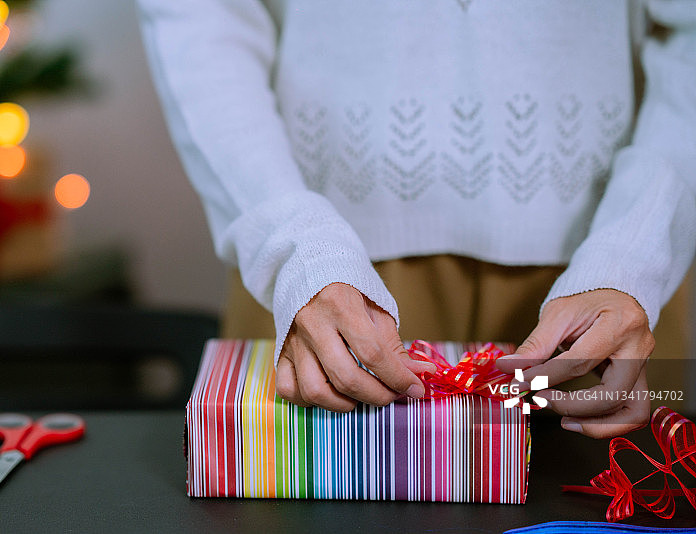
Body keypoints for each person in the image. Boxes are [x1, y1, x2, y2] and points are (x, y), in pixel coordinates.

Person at [137, 0, 696, 438]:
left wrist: (638, 247)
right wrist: (288, 240)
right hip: (324, 283)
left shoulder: (631, 262)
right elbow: (199, 14)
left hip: (611, 278)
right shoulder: (303, 261)